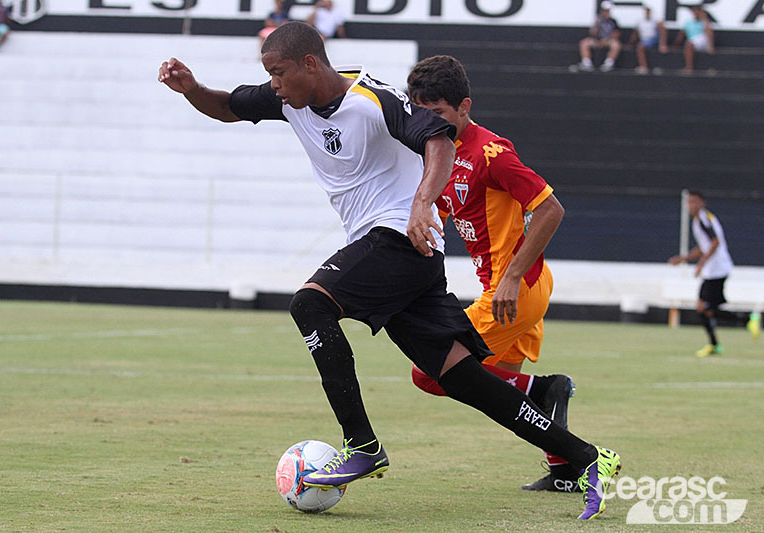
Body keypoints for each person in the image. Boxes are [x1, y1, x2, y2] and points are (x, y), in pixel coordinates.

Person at [158, 21, 620, 520]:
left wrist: (423, 203)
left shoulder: (374, 99)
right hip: (400, 257)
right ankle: (588, 458)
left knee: (310, 303)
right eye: (269, 74)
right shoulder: (289, 101)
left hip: (401, 237)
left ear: (311, 64)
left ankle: (362, 445)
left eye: (278, 72)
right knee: (463, 380)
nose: (272, 83)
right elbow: (227, 106)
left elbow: (439, 141)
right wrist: (192, 90)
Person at [406, 55, 582, 493]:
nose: (427, 122)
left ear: (464, 106)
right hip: (515, 288)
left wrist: (510, 277)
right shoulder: (439, 152)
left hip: (515, 289)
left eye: (438, 113)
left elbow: (550, 209)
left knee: (429, 371)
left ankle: (545, 389)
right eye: (420, 111)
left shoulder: (491, 154)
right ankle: (566, 470)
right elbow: (448, 208)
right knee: (503, 398)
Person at [668, 191, 738, 356]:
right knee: (707, 309)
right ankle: (716, 343)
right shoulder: (699, 221)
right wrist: (684, 258)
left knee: (703, 307)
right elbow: (704, 247)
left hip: (717, 269)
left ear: (702, 203)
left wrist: (701, 264)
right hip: (714, 270)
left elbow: (714, 243)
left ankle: (750, 320)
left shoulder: (704, 219)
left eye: (694, 202)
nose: (691, 205)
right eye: (689, 202)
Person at [576, 1, 621, 72]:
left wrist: (606, 39)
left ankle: (609, 63)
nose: (606, 13)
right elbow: (592, 33)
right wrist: (597, 25)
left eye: (608, 11)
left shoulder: (613, 21)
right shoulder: (598, 20)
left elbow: (616, 34)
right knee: (584, 43)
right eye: (605, 11)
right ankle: (586, 62)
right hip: (596, 40)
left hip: (607, 40)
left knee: (616, 44)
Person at [673, 5, 715, 73]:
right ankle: (689, 66)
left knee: (689, 43)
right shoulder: (688, 22)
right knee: (689, 44)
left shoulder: (704, 22)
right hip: (692, 41)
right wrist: (675, 45)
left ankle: (689, 67)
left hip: (702, 39)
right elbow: (682, 34)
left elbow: (709, 32)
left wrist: (710, 46)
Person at [630, 5, 668, 74]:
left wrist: (663, 44)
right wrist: (630, 43)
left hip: (653, 39)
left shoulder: (655, 21)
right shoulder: (639, 21)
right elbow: (635, 34)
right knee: (640, 45)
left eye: (648, 11)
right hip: (643, 40)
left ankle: (644, 67)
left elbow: (663, 31)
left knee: (640, 47)